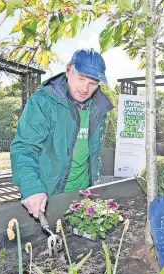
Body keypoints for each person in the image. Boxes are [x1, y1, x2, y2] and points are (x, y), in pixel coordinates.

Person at [11, 48, 113, 218]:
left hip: (83, 195)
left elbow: (93, 149)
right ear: (68, 70)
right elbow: (24, 147)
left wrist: (95, 177)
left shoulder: (99, 108)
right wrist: (32, 188)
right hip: (49, 195)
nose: (85, 88)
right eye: (81, 78)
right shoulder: (43, 102)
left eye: (93, 83)